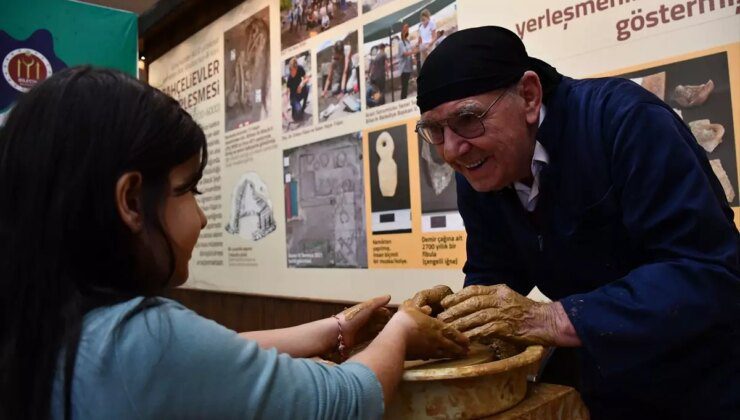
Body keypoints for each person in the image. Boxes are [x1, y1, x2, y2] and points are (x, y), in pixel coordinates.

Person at [0, 67, 469, 419]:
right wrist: (401, 330)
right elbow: (345, 399)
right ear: (130, 201)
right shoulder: (141, 343)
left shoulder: (48, 328)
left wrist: (338, 328)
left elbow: (219, 354)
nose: (202, 218)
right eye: (187, 190)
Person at [411, 26, 740, 418]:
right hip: (607, 381)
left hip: (705, 381)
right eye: (435, 130)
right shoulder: (481, 166)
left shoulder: (625, 122)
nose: (451, 150)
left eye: (468, 119)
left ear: (529, 96)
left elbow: (707, 271)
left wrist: (551, 318)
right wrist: (447, 320)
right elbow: (494, 272)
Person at [286, 57, 310, 121]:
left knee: (307, 88)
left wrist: (301, 85)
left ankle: (303, 106)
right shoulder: (289, 78)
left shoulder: (300, 68)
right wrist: (287, 102)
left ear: (296, 68)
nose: (292, 73)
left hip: (300, 91)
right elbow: (287, 91)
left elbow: (307, 78)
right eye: (290, 71)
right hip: (294, 97)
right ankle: (295, 109)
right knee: (298, 115)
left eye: (293, 71)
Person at [397, 24, 415, 100]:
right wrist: (414, 51)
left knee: (406, 86)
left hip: (408, 67)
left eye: (408, 29)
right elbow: (405, 53)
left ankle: (404, 99)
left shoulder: (408, 42)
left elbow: (410, 51)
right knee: (404, 87)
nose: (407, 31)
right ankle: (402, 101)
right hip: (403, 69)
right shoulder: (400, 43)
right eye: (405, 29)